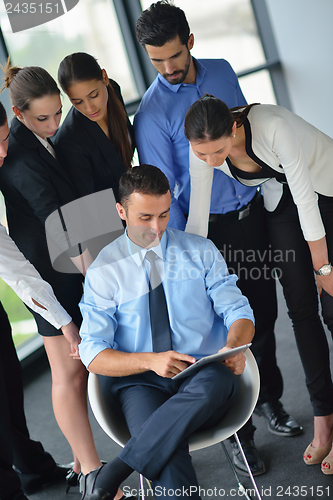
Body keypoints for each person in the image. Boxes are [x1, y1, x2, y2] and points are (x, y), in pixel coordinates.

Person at [134, 0, 301, 476]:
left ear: (190, 41)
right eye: (156, 60)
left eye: (174, 57)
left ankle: (269, 400)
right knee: (217, 335)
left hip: (252, 214)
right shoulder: (151, 115)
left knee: (261, 316)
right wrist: (191, 254)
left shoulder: (225, 71)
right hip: (206, 236)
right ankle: (238, 438)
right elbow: (166, 192)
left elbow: (248, 135)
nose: (167, 69)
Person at [77, 164, 255, 500]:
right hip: (141, 383)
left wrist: (233, 346)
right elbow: (93, 354)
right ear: (121, 211)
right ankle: (125, 470)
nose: (157, 227)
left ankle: (113, 472)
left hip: (202, 374)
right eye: (145, 217)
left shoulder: (200, 251)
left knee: (211, 384)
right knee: (171, 472)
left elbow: (238, 311)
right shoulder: (104, 271)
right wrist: (151, 361)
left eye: (164, 214)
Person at [183, 95, 333, 475]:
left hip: (325, 189)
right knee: (300, 309)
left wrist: (324, 269)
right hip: (282, 201)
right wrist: (188, 280)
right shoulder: (202, 149)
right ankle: (325, 418)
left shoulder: (273, 127)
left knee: (332, 310)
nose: (211, 162)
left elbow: (308, 199)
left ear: (233, 128)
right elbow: (198, 222)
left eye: (216, 152)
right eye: (202, 155)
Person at [0, 63, 110, 492]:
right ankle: (91, 472)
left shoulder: (30, 138)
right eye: (42, 118)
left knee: (78, 370)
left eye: (58, 113)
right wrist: (98, 277)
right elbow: (56, 221)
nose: (54, 124)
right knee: (69, 374)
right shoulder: (21, 157)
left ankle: (87, 468)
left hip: (64, 264)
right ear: (19, 112)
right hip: (47, 273)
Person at [0, 101, 79, 500]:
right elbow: (16, 270)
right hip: (27, 274)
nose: (2, 154)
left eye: (2, 141)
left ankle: (33, 470)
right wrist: (65, 321)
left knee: (10, 391)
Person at [55, 51, 134, 200]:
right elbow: (89, 204)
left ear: (104, 77)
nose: (89, 108)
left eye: (93, 96)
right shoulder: (70, 141)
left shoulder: (113, 91)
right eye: (77, 102)